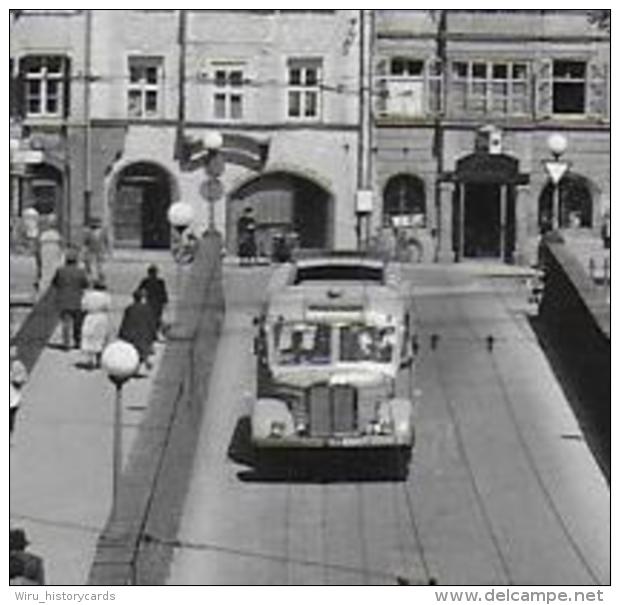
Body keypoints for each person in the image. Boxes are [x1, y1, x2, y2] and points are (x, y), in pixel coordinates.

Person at [51, 249, 89, 350]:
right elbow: (85, 284)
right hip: (77, 301)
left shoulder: (60, 271)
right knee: (78, 324)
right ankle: (77, 342)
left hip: (63, 300)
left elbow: (54, 283)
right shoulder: (81, 272)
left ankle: (66, 343)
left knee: (66, 323)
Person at [118, 289, 157, 372]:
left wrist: (121, 333)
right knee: (141, 351)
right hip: (144, 334)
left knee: (133, 351)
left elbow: (125, 321)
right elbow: (151, 323)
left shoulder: (129, 308)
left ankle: (137, 365)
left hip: (131, 334)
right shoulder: (148, 309)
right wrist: (153, 335)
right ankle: (142, 363)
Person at [80, 281, 113, 369]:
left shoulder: (88, 295)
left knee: (89, 337)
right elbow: (108, 307)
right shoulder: (106, 296)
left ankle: (90, 359)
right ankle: (99, 359)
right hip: (101, 317)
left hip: (90, 316)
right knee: (100, 338)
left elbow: (83, 307)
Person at [138, 265, 169, 337]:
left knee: (151, 318)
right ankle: (154, 333)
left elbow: (138, 290)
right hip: (157, 303)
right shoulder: (160, 282)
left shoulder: (146, 281)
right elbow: (164, 293)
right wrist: (165, 301)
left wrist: (139, 299)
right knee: (156, 318)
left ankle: (151, 333)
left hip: (150, 303)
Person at [82, 218, 109, 283]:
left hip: (99, 251)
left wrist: (106, 252)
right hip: (92, 251)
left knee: (99, 266)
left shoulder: (102, 233)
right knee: (92, 266)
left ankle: (100, 278)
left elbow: (106, 242)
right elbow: (86, 243)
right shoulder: (89, 233)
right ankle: (94, 278)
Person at [10, 346, 28, 435]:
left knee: (10, 422)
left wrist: (15, 379)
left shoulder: (17, 365)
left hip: (13, 400)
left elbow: (24, 378)